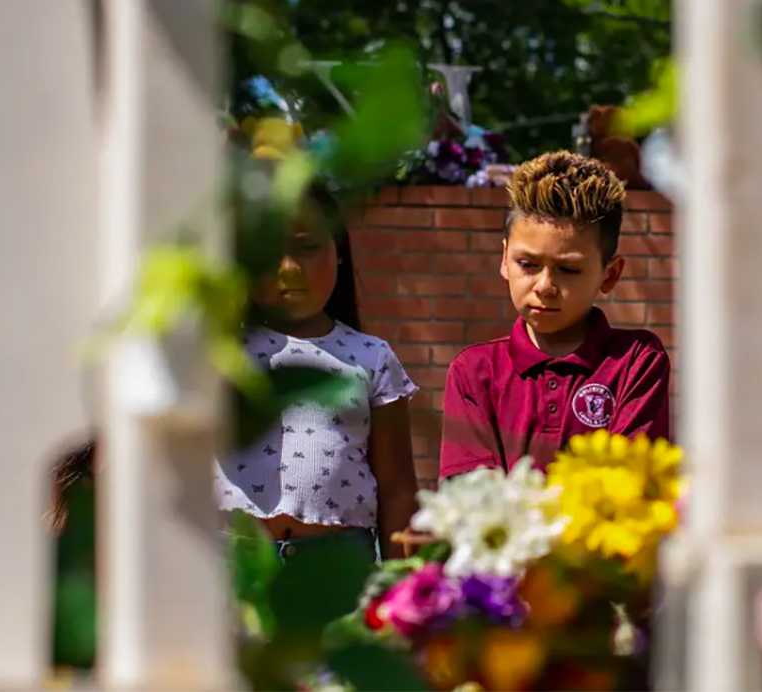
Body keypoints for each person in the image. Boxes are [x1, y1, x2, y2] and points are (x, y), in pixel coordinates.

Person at [438, 151, 672, 480]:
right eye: (528, 264)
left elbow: (626, 492)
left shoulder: (637, 361)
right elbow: (476, 505)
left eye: (568, 269)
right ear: (505, 259)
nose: (545, 286)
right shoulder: (475, 372)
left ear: (610, 274)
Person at [215, 186, 419, 561]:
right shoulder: (218, 350)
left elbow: (397, 491)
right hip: (227, 567)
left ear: (339, 251)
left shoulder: (372, 358)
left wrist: (399, 591)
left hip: (338, 572)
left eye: (306, 247)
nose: (289, 268)